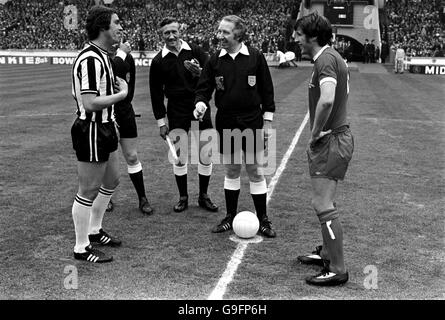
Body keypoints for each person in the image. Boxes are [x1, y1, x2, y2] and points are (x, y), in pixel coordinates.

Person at [194, 15, 277, 238]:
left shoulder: (255, 57)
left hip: (251, 120)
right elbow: (203, 89)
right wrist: (201, 104)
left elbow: (267, 92)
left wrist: (267, 123)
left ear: (238, 34)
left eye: (225, 32)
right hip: (226, 120)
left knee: (254, 170)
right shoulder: (214, 61)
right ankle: (230, 217)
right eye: (219, 31)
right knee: (231, 169)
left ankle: (263, 219)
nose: (219, 36)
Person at [293, 12, 354, 286]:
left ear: (312, 37)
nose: (295, 39)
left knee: (322, 203)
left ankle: (337, 269)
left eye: (298, 34)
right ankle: (327, 253)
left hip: (331, 140)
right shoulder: (328, 58)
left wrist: (315, 132)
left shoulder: (326, 60)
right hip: (336, 139)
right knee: (325, 201)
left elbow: (326, 100)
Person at [70, 5, 128, 263]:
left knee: (112, 180)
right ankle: (81, 248)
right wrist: (122, 94)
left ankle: (94, 230)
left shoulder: (103, 54)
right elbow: (91, 102)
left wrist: (112, 119)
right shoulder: (92, 58)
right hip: (91, 129)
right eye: (116, 22)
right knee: (88, 189)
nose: (120, 27)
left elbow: (86, 95)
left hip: (105, 126)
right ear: (103, 27)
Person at [149, 17, 218, 213]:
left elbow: (211, 77)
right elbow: (156, 95)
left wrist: (200, 72)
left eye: (174, 31)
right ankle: (183, 197)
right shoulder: (158, 61)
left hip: (200, 105)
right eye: (166, 33)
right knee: (179, 155)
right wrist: (161, 123)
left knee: (205, 152)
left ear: (180, 31)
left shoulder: (195, 51)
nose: (171, 36)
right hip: (176, 109)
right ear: (160, 35)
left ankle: (204, 196)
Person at [106, 40, 154, 215]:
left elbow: (128, 88)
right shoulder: (101, 57)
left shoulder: (126, 58)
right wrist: (121, 54)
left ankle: (142, 198)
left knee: (132, 156)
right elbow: (111, 75)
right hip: (104, 112)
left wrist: (122, 55)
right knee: (106, 159)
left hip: (125, 111)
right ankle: (105, 198)